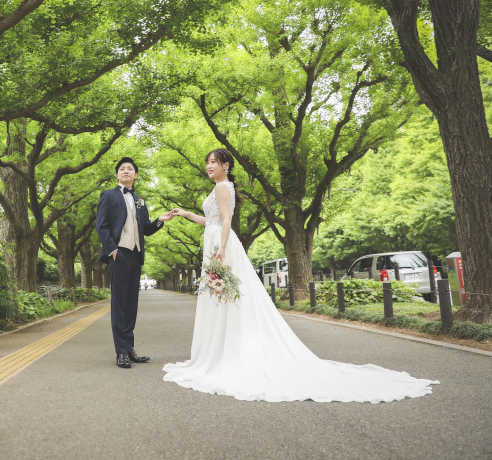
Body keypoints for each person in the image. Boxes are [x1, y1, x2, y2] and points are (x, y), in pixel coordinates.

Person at [162, 148, 438, 402]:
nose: (209, 166)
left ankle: (230, 352)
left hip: (221, 245)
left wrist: (221, 249)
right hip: (214, 240)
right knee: (223, 297)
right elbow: (210, 221)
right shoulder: (220, 187)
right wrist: (186, 213)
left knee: (228, 296)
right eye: (208, 162)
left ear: (226, 165)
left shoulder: (223, 187)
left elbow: (226, 221)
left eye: (214, 162)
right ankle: (221, 349)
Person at [97, 157, 174, 369]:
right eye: (122, 169)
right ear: (117, 174)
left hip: (135, 256)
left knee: (131, 304)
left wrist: (160, 220)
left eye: (130, 168)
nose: (126, 171)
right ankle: (120, 351)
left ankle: (129, 348)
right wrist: (112, 250)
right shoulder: (109, 195)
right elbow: (102, 226)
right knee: (119, 304)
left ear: (135, 175)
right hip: (118, 254)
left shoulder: (140, 200)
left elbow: (146, 229)